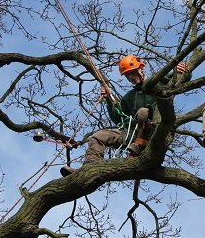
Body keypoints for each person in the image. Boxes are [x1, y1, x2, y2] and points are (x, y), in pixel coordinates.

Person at [60, 55, 189, 177]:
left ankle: (137, 149)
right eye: (127, 75)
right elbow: (118, 118)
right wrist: (109, 100)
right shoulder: (129, 98)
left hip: (154, 133)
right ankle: (89, 169)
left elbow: (185, 76)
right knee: (98, 136)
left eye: (132, 72)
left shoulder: (158, 81)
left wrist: (177, 70)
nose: (131, 77)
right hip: (132, 135)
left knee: (143, 112)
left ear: (141, 68)